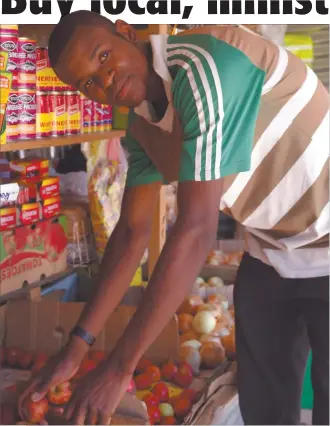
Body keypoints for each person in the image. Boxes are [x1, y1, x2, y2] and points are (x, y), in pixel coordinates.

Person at [19, 12, 329, 425]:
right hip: (271, 251)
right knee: (265, 408)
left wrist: (119, 368)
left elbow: (196, 229)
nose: (104, 79)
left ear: (127, 32)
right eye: (87, 83)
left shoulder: (203, 69)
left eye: (104, 56)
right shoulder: (143, 125)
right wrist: (74, 349)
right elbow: (133, 233)